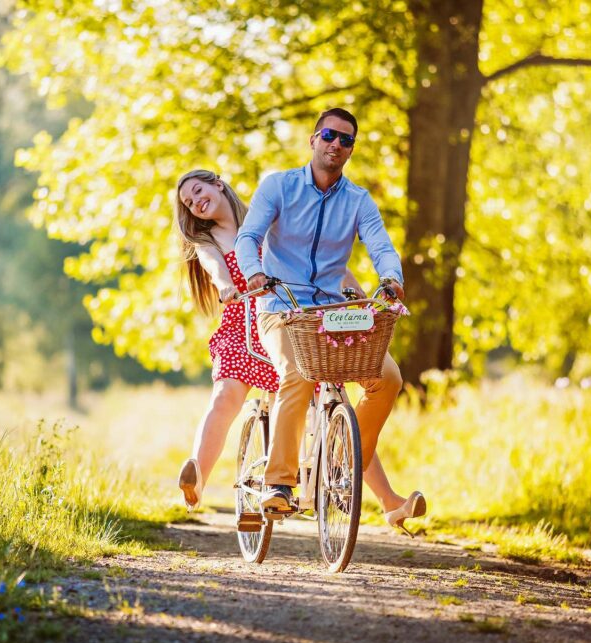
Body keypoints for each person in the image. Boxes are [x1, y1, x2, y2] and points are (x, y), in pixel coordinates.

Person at [235, 107, 426, 533]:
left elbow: (380, 244)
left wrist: (391, 278)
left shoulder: (358, 200)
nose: (336, 145)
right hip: (281, 308)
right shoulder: (279, 186)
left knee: (388, 378)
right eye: (329, 135)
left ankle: (344, 463)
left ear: (351, 150)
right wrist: (255, 273)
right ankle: (280, 485)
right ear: (313, 139)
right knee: (298, 374)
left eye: (346, 141)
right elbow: (248, 236)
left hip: (335, 313)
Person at [174, 170, 279, 511]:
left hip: (280, 320)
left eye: (197, 191)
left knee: (304, 401)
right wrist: (224, 286)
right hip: (240, 327)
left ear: (217, 183)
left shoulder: (265, 219)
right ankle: (197, 476)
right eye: (189, 203)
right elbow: (213, 265)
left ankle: (386, 499)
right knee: (225, 397)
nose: (195, 202)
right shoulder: (209, 241)